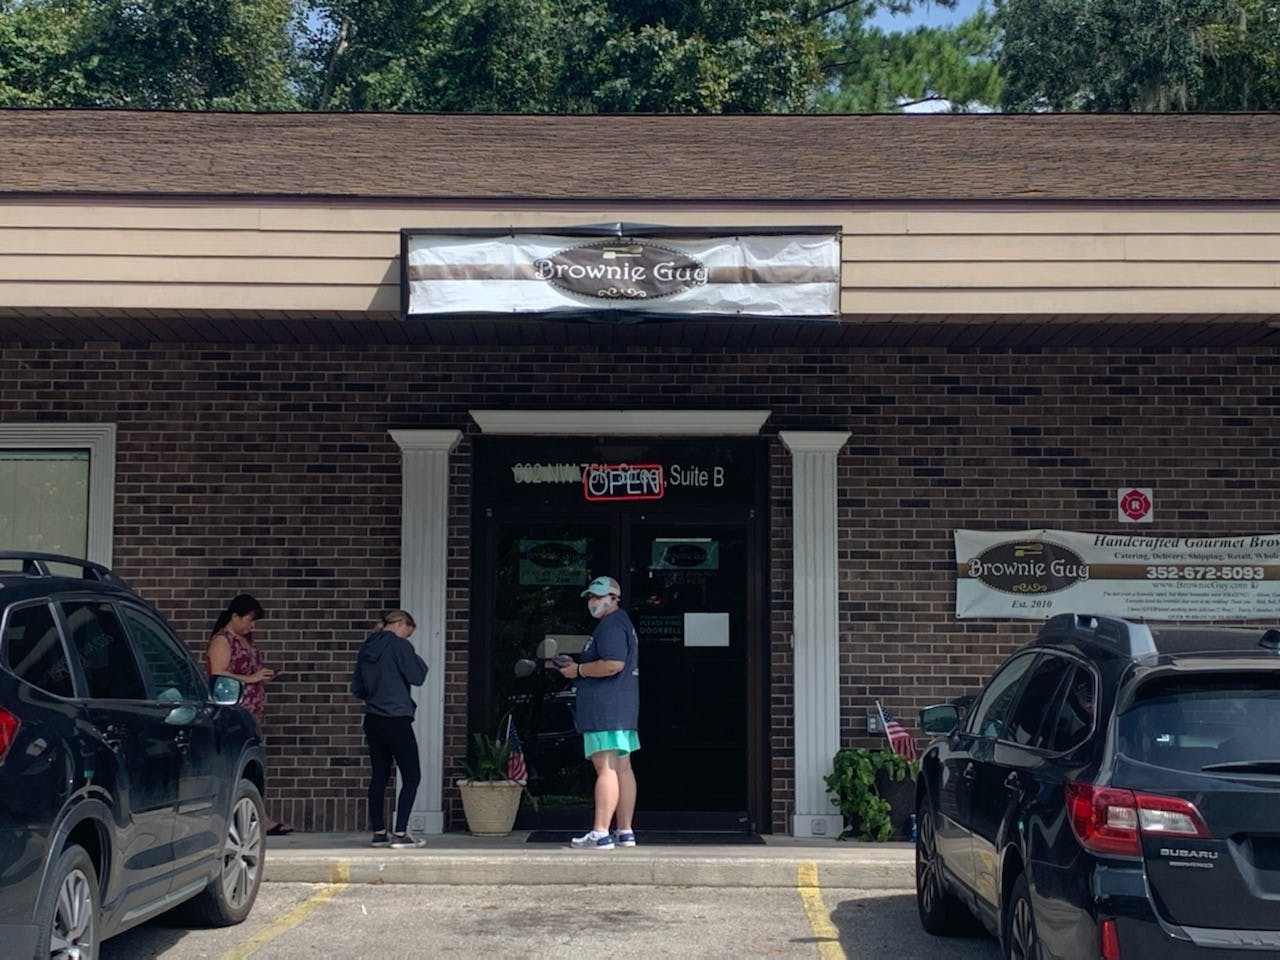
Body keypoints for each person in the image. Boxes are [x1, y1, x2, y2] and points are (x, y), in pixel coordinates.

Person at [554, 575, 640, 850]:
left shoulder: (611, 626)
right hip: (622, 709)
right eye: (590, 597)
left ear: (614, 598)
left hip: (605, 710)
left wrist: (577, 670)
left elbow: (613, 663)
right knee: (623, 768)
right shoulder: (622, 623)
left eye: (598, 596)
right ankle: (624, 831)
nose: (593, 602)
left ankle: (600, 832)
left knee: (606, 769)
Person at [205, 593, 293, 835]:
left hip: (252, 710)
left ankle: (253, 814)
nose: (251, 626)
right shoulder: (222, 641)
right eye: (249, 620)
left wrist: (262, 677)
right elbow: (219, 674)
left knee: (252, 763)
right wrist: (251, 679)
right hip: (233, 710)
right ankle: (255, 817)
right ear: (235, 616)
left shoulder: (247, 640)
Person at [350, 609, 429, 848]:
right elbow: (418, 676)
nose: (407, 637)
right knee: (412, 776)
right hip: (397, 718)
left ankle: (378, 833)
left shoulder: (366, 648)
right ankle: (401, 834)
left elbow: (358, 689)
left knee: (379, 776)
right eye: (408, 632)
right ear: (401, 624)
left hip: (373, 719)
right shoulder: (399, 646)